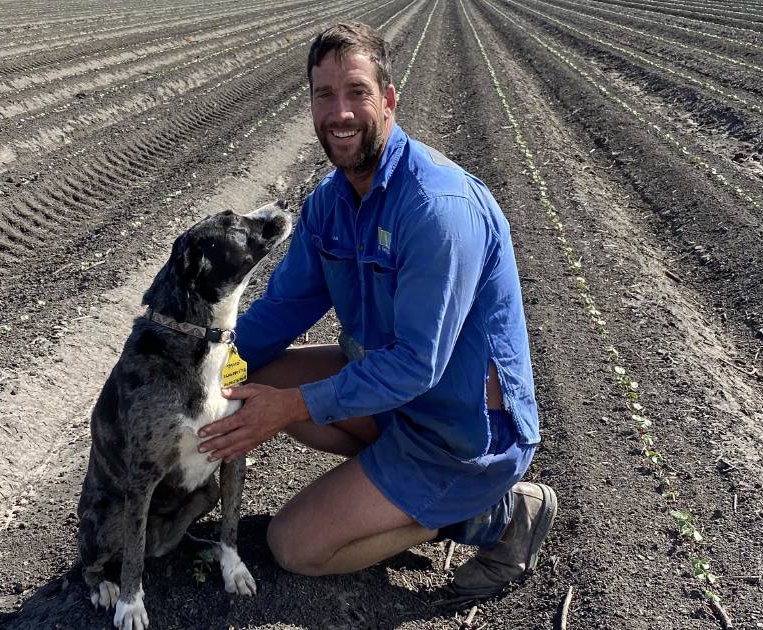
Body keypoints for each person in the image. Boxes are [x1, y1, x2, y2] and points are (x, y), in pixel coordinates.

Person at [197, 21, 556, 600]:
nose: (340, 113)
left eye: (357, 92)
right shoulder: (331, 204)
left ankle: (497, 515)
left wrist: (290, 407)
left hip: (457, 433)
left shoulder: (437, 212)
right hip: (391, 400)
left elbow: (418, 364)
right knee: (249, 378)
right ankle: (386, 492)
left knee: (295, 547)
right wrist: (195, 372)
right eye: (325, 94)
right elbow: (280, 310)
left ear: (388, 99)